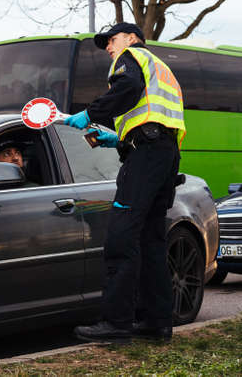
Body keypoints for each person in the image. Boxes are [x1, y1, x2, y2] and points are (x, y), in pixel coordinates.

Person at [64, 22, 186, 343]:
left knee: (121, 235)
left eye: (111, 40)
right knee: (151, 241)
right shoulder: (161, 68)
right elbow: (150, 116)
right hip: (165, 153)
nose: (108, 47)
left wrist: (91, 114)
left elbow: (127, 88)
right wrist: (117, 140)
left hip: (146, 156)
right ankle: (156, 323)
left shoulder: (131, 56)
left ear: (131, 38)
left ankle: (116, 322)